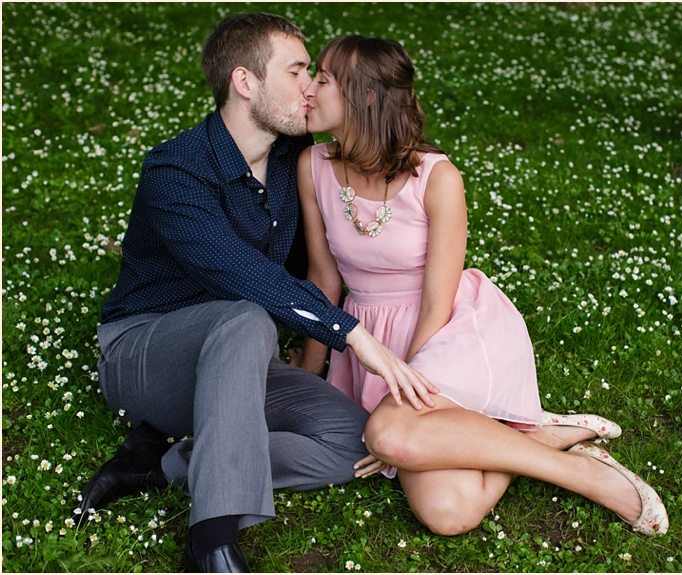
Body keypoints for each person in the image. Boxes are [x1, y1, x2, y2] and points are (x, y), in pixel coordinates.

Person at [75, 15, 438, 573]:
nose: (310, 85)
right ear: (245, 82)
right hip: (145, 355)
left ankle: (160, 464)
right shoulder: (175, 171)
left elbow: (335, 242)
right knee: (247, 315)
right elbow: (241, 273)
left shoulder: (296, 154)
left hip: (240, 363)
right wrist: (350, 333)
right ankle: (212, 540)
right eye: (297, 70)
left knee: (354, 441)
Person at [297, 35, 669, 537]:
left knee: (389, 431)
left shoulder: (438, 177)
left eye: (322, 80)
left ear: (365, 97)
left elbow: (437, 301)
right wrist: (308, 377)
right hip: (368, 337)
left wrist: (402, 394)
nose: (308, 91)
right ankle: (539, 437)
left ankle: (587, 477)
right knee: (448, 514)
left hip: (449, 332)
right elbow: (323, 282)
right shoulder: (313, 166)